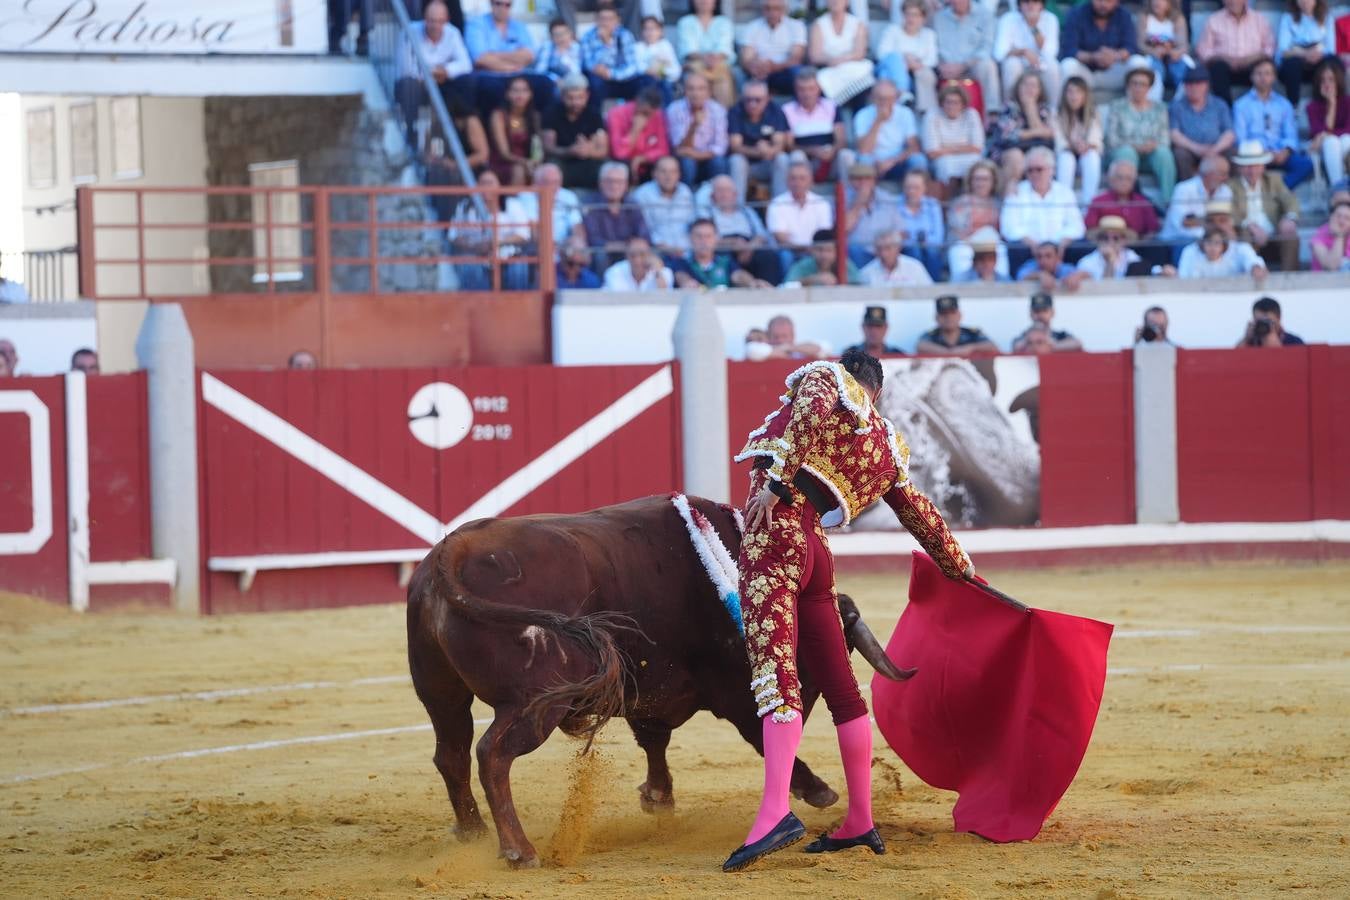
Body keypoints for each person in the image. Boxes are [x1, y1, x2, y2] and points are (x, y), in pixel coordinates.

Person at [723, 348, 972, 872]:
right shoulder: (883, 441)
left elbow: (810, 416)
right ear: (877, 391)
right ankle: (860, 819)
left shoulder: (823, 379)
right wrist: (961, 568)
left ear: (849, 377)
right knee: (841, 688)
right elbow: (920, 515)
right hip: (817, 553)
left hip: (775, 540)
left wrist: (775, 481)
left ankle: (774, 815)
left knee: (777, 677)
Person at [395, 1, 476, 151]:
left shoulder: (452, 33)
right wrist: (433, 74)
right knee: (408, 84)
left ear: (446, 20)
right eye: (432, 21)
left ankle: (462, 127)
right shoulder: (409, 32)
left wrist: (446, 71)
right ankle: (411, 131)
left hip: (441, 83)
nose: (435, 26)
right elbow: (406, 68)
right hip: (417, 85)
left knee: (466, 81)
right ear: (425, 18)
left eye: (440, 21)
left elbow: (466, 64)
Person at [1000, 145, 1087, 268]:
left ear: (1051, 170)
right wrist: (1032, 244)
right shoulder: (1016, 192)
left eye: (1039, 169)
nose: (1034, 174)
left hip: (1060, 248)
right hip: (1029, 249)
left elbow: (1077, 226)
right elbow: (1008, 227)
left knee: (1082, 245)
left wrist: (1061, 243)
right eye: (1030, 170)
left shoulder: (1065, 192)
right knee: (1015, 247)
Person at [1233, 56, 1314, 188]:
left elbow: (1290, 134)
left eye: (1267, 73)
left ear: (1274, 77)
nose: (1263, 78)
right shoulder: (1241, 105)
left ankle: (1279, 190)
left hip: (1280, 154)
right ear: (1251, 77)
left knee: (1306, 165)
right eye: (1259, 73)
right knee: (1243, 166)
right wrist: (1262, 152)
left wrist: (1285, 152)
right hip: (1255, 155)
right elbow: (1241, 138)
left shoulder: (1284, 104)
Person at [447, 166, 533, 290]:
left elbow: (523, 235)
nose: (486, 187)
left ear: (499, 185)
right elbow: (454, 236)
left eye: (490, 183)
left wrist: (497, 243)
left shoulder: (512, 205)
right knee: (468, 266)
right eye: (483, 183)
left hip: (507, 255)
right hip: (475, 255)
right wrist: (475, 245)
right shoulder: (464, 207)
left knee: (519, 266)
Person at [1105, 59, 1176, 204]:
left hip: (1151, 155)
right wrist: (1135, 146)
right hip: (1123, 155)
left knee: (1164, 153)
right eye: (1134, 83)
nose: (1138, 88)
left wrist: (1152, 145)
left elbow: (1164, 139)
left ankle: (1168, 202)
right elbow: (1112, 140)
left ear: (1149, 88)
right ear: (1128, 86)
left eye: (1143, 84)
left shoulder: (1160, 108)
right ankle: (1131, 200)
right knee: (1127, 152)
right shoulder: (1117, 107)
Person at [465, 0, 553, 116]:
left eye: (507, 5)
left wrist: (494, 54)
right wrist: (511, 62)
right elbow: (480, 58)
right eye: (498, 3)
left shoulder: (518, 26)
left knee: (545, 83)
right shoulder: (476, 24)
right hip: (490, 75)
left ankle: (540, 129)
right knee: (491, 89)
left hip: (518, 73)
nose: (502, 8)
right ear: (491, 4)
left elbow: (529, 55)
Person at [1228, 139, 1301, 272]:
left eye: (1256, 165)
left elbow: (1290, 200)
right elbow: (1230, 213)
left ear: (1263, 166)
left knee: (1291, 235)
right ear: (1240, 168)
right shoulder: (1231, 186)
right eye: (1247, 166)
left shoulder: (1274, 180)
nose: (1252, 170)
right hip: (1248, 236)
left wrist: (1289, 218)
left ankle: (1289, 279)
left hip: (1274, 234)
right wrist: (1250, 225)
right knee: (1244, 236)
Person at [702, 174, 784, 285]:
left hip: (750, 246)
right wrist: (733, 243)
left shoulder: (747, 212)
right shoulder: (706, 213)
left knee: (768, 256)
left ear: (735, 194)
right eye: (720, 191)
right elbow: (705, 238)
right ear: (712, 196)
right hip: (723, 248)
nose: (724, 195)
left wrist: (749, 247)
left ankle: (769, 291)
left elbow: (761, 235)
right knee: (723, 259)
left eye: (727, 190)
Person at [988, 70, 1056, 193]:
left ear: (1040, 90)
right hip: (1007, 150)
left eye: (1034, 86)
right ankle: (1009, 202)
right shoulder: (1009, 106)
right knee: (1016, 157)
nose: (1029, 89)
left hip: (1035, 149)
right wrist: (1037, 132)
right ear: (1018, 87)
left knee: (1041, 159)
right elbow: (1008, 135)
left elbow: (1048, 136)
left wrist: (1030, 108)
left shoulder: (1044, 108)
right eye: (1025, 84)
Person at [1197, 0, 1276, 104]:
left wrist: (1252, 58)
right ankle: (1225, 108)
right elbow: (1203, 51)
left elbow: (1270, 48)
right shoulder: (1214, 20)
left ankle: (1259, 106)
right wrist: (1225, 58)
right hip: (1225, 68)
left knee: (1263, 67)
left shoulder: (1259, 19)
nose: (1234, 1)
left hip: (1252, 66)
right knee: (1217, 68)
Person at [783, 68, 853, 183]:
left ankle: (848, 196)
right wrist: (813, 151)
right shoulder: (787, 110)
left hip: (830, 162)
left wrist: (832, 151)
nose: (807, 94)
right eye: (802, 89)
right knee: (797, 156)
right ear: (796, 90)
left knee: (846, 155)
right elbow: (789, 146)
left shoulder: (831, 106)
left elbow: (841, 140)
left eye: (811, 89)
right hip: (805, 163)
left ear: (819, 89)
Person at [581, 2, 658, 107]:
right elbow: (590, 65)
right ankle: (595, 119)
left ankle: (642, 116)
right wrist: (605, 44)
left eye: (610, 19)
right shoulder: (588, 37)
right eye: (602, 19)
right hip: (601, 81)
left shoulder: (625, 35)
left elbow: (632, 66)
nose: (606, 23)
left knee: (647, 81)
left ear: (617, 21)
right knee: (593, 81)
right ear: (596, 20)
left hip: (622, 78)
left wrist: (612, 74)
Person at [728, 79, 793, 202]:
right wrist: (759, 151)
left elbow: (780, 144)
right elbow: (735, 146)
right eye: (748, 100)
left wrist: (769, 150)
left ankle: (780, 204)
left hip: (767, 164)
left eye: (758, 100)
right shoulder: (735, 111)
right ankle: (737, 206)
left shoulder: (775, 111)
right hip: (746, 164)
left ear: (767, 99)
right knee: (736, 160)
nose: (753, 104)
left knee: (782, 158)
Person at [1168, 65, 1236, 182]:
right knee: (1180, 154)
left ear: (1206, 85)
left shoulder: (1219, 104)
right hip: (1190, 149)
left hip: (1216, 148)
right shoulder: (1176, 106)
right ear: (1184, 86)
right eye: (1189, 83)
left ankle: (1231, 190)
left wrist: (1215, 149)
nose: (1194, 87)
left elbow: (1229, 133)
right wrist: (1197, 148)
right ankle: (1189, 191)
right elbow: (1174, 134)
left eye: (1199, 83)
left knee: (1233, 153)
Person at [852, 78, 928, 181]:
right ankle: (866, 195)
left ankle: (917, 195)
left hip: (898, 160)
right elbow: (864, 150)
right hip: (874, 162)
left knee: (918, 159)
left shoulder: (905, 113)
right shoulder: (863, 115)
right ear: (873, 98)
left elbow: (914, 147)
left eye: (888, 98)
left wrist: (892, 161)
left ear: (895, 98)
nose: (884, 102)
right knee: (864, 160)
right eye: (880, 98)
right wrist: (878, 122)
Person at [933, 0, 1000, 116]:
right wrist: (940, 65)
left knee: (988, 66)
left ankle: (992, 114)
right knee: (925, 74)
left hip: (972, 65)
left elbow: (987, 47)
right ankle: (931, 118)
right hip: (946, 67)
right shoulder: (939, 18)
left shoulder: (985, 15)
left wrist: (964, 66)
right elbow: (932, 46)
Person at [1059, 0, 1139, 97]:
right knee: (1068, 65)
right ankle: (1059, 109)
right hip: (1085, 72)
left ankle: (1140, 109)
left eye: (1108, 1)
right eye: (1099, 0)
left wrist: (1115, 56)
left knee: (1138, 63)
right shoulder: (1077, 14)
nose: (1103, 4)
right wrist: (1093, 57)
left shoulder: (1124, 15)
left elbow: (1130, 47)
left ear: (1117, 2)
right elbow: (1069, 49)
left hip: (1113, 71)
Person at [542, 74, 608, 187]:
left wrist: (588, 151)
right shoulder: (551, 114)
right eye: (570, 98)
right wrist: (570, 150)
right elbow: (548, 148)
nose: (575, 102)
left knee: (607, 169)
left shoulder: (594, 115)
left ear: (587, 96)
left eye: (580, 97)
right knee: (551, 167)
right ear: (562, 96)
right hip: (562, 161)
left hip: (588, 161)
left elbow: (603, 149)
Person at [667, 70, 730, 187]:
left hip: (709, 159)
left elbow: (720, 148)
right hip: (686, 160)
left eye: (701, 89)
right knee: (687, 162)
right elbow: (679, 148)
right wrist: (694, 126)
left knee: (719, 162)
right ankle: (687, 199)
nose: (696, 93)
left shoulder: (718, 110)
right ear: (685, 91)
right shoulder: (674, 109)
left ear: (709, 92)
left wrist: (697, 155)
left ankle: (717, 199)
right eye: (691, 88)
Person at [946, 161, 1008, 277]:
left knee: (1001, 250)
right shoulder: (961, 203)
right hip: (967, 244)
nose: (981, 183)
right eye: (977, 179)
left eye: (985, 179)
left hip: (993, 246)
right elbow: (956, 231)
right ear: (970, 181)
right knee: (959, 251)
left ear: (993, 181)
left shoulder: (999, 203)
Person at [808, 0, 875, 107]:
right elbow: (815, 56)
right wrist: (830, 60)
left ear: (847, 2)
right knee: (823, 80)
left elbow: (859, 53)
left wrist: (842, 59)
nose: (835, 1)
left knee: (861, 75)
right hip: (830, 67)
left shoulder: (857, 24)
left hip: (852, 65)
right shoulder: (819, 24)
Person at [672, 218, 773, 288]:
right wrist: (687, 283)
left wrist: (752, 282)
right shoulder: (682, 262)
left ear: (716, 239)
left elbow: (738, 275)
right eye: (699, 236)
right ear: (690, 238)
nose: (704, 241)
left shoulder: (725, 261)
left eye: (708, 236)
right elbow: (681, 276)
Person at [995, 0, 1062, 106]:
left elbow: (1051, 52)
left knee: (1052, 66)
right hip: (1018, 62)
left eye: (1035, 2)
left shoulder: (1051, 19)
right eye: (1026, 2)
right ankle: (1010, 109)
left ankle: (1053, 111)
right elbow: (999, 53)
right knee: (1011, 64)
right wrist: (1023, 52)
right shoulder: (1008, 19)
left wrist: (1033, 27)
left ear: (1041, 5)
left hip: (1040, 64)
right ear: (1019, 4)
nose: (1030, 6)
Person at [581, 162, 649, 265]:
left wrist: (632, 245)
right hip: (602, 254)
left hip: (629, 253)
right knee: (600, 255)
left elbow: (643, 234)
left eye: (619, 182)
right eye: (609, 181)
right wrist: (617, 246)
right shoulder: (590, 203)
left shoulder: (632, 204)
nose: (614, 186)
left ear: (626, 185)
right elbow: (592, 238)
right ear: (601, 183)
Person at [877, 0, 939, 112]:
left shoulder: (929, 35)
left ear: (923, 18)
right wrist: (903, 59)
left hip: (916, 70)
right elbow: (881, 54)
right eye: (908, 14)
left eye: (915, 15)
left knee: (924, 74)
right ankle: (903, 92)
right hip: (893, 68)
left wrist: (914, 64)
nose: (911, 19)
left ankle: (923, 110)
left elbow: (932, 60)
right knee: (892, 61)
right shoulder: (892, 30)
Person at [923, 84, 986, 192]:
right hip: (943, 159)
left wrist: (945, 148)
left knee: (976, 163)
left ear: (963, 104)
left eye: (956, 102)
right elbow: (931, 152)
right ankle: (948, 200)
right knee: (945, 165)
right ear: (942, 103)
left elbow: (977, 147)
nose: (951, 106)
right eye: (948, 102)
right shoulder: (932, 114)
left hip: (967, 156)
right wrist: (964, 147)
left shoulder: (972, 114)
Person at [1053, 75, 1104, 205]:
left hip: (1084, 156)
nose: (1074, 96)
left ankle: (1089, 204)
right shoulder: (1056, 113)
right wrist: (1072, 146)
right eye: (1070, 92)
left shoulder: (1093, 113)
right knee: (1066, 158)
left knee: (1092, 156)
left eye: (1078, 92)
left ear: (1085, 95)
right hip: (1064, 157)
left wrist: (1086, 146)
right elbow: (1058, 139)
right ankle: (1064, 204)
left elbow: (1096, 137)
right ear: (1064, 94)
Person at [631, 156, 698, 254]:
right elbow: (644, 227)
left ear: (679, 174)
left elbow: (692, 222)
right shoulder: (642, 194)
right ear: (654, 174)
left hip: (686, 250)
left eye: (673, 172)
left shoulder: (685, 191)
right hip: (656, 250)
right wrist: (661, 245)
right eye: (663, 171)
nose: (668, 176)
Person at [741, 0, 808, 96]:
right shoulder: (752, 27)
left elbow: (796, 58)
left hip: (785, 71)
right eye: (767, 8)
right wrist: (755, 67)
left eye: (776, 8)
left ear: (784, 9)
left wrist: (774, 66)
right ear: (762, 9)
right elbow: (747, 59)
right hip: (760, 72)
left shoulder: (796, 26)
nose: (772, 12)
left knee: (798, 73)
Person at [678, 0, 737, 108]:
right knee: (696, 77)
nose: (704, 1)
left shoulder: (724, 22)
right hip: (695, 65)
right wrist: (705, 58)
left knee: (722, 78)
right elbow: (688, 49)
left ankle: (724, 117)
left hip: (720, 65)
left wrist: (714, 59)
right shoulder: (685, 22)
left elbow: (725, 47)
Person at [1085, 159, 1161, 241]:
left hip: (1137, 247)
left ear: (1134, 181)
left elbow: (1152, 230)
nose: (1124, 182)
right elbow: (1090, 231)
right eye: (1120, 178)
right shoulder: (1098, 202)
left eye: (1128, 178)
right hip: (1104, 246)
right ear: (1111, 179)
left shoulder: (1143, 202)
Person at [1162, 154, 1234, 241]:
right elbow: (1183, 222)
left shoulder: (1225, 191)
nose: (1226, 178)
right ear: (1208, 174)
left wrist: (1202, 222)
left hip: (1212, 240)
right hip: (1179, 239)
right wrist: (1213, 223)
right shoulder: (1184, 189)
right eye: (1223, 174)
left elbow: (1224, 220)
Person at [607, 86, 671, 182]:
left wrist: (642, 158)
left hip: (647, 162)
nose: (647, 117)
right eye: (644, 112)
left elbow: (663, 149)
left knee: (666, 164)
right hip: (624, 162)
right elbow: (619, 153)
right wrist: (634, 131)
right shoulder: (616, 114)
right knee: (622, 165)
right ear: (637, 102)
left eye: (650, 114)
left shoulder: (658, 115)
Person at [1276, 0, 1335, 102]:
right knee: (1292, 64)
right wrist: (1306, 54)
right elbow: (1283, 50)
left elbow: (1330, 49)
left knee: (1335, 63)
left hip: (1319, 60)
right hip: (1296, 62)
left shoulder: (1327, 17)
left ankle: (1331, 102)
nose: (1305, 2)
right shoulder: (1287, 18)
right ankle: (1294, 105)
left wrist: (1317, 55)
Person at [768, 160, 834, 250]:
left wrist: (812, 251)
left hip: (816, 252)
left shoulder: (821, 203)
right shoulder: (777, 203)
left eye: (802, 178)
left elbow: (823, 235)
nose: (797, 183)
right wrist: (805, 250)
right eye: (793, 178)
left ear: (810, 181)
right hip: (790, 251)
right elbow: (781, 238)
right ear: (787, 181)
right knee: (785, 255)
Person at [488, 75, 541, 185]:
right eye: (515, 90)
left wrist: (535, 162)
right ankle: (514, 201)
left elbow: (537, 148)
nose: (520, 95)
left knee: (544, 171)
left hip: (527, 162)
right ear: (507, 94)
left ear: (530, 94)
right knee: (519, 169)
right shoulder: (499, 115)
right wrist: (525, 162)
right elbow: (504, 153)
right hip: (503, 163)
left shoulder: (534, 116)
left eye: (524, 90)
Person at [514, 162, 583, 245]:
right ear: (536, 183)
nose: (552, 187)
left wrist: (577, 243)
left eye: (556, 182)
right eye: (547, 182)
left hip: (564, 245)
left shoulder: (569, 196)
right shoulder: (526, 196)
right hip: (537, 245)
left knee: (578, 246)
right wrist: (552, 246)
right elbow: (533, 231)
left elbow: (577, 226)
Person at [1307, 58, 1350, 186]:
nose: (1327, 84)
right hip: (1322, 146)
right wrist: (1332, 104)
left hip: (1340, 141)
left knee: (1345, 139)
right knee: (1331, 142)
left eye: (1331, 79)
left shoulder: (1348, 102)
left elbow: (1348, 129)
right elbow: (1317, 131)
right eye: (1323, 80)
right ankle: (1338, 186)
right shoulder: (1312, 106)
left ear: (1338, 80)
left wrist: (1327, 134)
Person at [896, 170, 945, 280]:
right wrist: (918, 238)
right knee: (914, 250)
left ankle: (933, 287)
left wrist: (911, 237)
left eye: (916, 187)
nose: (911, 191)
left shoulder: (933, 205)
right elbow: (897, 237)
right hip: (906, 250)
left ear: (924, 188)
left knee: (932, 252)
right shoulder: (895, 204)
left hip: (929, 248)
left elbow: (938, 238)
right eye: (908, 187)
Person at [917, 295, 999, 355]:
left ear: (960, 315)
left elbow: (993, 347)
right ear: (936, 317)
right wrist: (949, 353)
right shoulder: (931, 335)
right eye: (944, 314)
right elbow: (921, 346)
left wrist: (970, 348)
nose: (948, 317)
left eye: (952, 313)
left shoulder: (973, 333)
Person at [1138, 0, 1191, 94]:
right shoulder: (1145, 17)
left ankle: (1181, 97)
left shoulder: (1178, 19)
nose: (1157, 2)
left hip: (1172, 57)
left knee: (1181, 68)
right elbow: (1140, 44)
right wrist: (1153, 51)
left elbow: (1184, 46)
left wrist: (1175, 52)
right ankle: (1155, 98)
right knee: (1154, 69)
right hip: (1152, 57)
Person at [1075, 214, 1151, 278]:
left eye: (1116, 238)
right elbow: (1105, 292)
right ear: (1098, 240)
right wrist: (1110, 262)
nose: (1110, 242)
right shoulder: (1086, 262)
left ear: (1123, 241)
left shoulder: (1132, 257)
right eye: (1105, 238)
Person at [1011, 292, 1083, 352]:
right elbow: (1015, 346)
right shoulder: (1024, 336)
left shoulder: (1060, 335)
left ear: (1052, 312)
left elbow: (1077, 343)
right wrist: (1030, 339)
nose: (1040, 315)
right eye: (1037, 311)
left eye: (1044, 311)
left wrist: (1051, 344)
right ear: (1031, 314)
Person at [784, 230, 862, 285]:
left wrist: (838, 281)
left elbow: (859, 284)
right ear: (812, 250)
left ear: (836, 252)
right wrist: (812, 279)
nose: (824, 255)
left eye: (829, 250)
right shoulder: (803, 265)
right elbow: (787, 285)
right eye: (819, 250)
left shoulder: (845, 264)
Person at [604, 235, 673, 290]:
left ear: (649, 255)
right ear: (627, 256)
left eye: (642, 254)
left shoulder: (665, 273)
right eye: (632, 255)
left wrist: (658, 272)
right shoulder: (614, 272)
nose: (637, 260)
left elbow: (664, 299)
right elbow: (617, 301)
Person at [1016, 240, 1090, 291]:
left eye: (1048, 256)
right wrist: (1039, 275)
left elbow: (1088, 275)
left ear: (1058, 258)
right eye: (1039, 256)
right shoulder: (1032, 265)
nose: (1043, 260)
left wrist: (1077, 276)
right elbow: (1020, 276)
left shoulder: (1064, 268)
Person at [533, 17, 585, 84]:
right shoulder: (547, 47)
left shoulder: (576, 47)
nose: (561, 38)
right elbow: (540, 71)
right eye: (557, 35)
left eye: (564, 33)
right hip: (551, 81)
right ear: (551, 37)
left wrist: (563, 56)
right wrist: (555, 78)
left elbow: (576, 72)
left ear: (570, 33)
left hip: (571, 82)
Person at [1237, 295, 1304, 346]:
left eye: (1268, 321)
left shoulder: (1294, 342)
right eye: (1259, 321)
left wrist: (1276, 346)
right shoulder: (1251, 342)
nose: (1263, 325)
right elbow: (1235, 359)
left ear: (1279, 317)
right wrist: (1246, 339)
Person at [636, 16, 682, 89]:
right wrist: (649, 71)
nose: (650, 32)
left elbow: (676, 71)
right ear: (641, 31)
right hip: (644, 83)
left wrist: (661, 72)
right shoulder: (637, 47)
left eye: (653, 29)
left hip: (665, 83)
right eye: (646, 29)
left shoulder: (666, 45)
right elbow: (637, 68)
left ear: (661, 31)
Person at [1310, 199, 1350, 271]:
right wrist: (1339, 236)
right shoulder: (1319, 236)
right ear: (1331, 217)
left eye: (1347, 218)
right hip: (1325, 280)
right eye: (1338, 216)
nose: (1341, 221)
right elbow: (1331, 266)